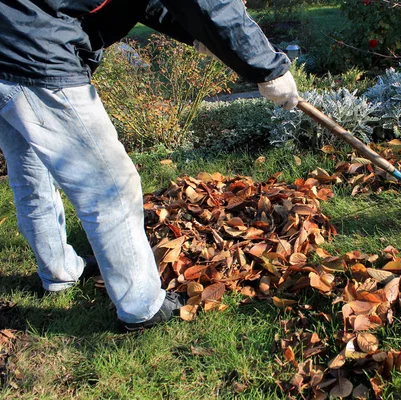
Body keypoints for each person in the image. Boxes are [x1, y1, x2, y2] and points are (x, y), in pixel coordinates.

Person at [0, 0, 299, 331]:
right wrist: (268, 68)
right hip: (32, 53)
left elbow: (147, 2)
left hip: (11, 37)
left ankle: (59, 272)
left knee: (31, 177)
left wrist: (198, 36)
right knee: (110, 187)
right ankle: (142, 307)